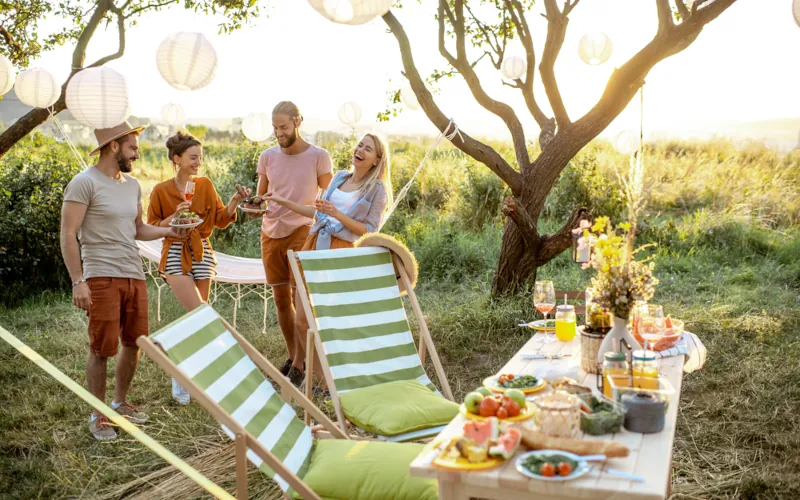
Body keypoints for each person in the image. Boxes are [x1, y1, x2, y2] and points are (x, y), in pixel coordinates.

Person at [60, 121, 189, 441]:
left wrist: (168, 231)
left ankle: (119, 403)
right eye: (132, 147)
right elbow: (67, 234)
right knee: (102, 348)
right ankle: (98, 414)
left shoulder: (131, 186)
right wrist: (79, 280)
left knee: (134, 343)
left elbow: (138, 229)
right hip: (100, 275)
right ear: (113, 146)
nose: (137, 152)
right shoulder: (83, 183)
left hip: (134, 273)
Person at [265, 133, 392, 390]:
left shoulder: (377, 189)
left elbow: (368, 229)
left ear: (377, 159)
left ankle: (327, 383)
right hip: (313, 246)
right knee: (302, 319)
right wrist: (284, 202)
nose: (360, 150)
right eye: (360, 145)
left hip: (340, 253)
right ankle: (314, 376)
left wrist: (338, 215)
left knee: (329, 321)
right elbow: (318, 211)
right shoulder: (340, 177)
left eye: (368, 149)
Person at [147, 131, 250, 405]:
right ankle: (186, 374)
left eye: (200, 158)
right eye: (193, 158)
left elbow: (218, 218)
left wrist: (235, 202)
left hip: (202, 252)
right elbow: (152, 226)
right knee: (200, 315)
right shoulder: (160, 191)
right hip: (175, 252)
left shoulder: (204, 185)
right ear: (177, 159)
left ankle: (190, 377)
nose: (198, 163)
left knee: (199, 319)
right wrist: (175, 215)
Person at [256, 101, 332, 386]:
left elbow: (330, 197)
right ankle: (293, 356)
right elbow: (261, 196)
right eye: (275, 128)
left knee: (301, 300)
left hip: (303, 229)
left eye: (283, 127)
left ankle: (301, 364)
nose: (278, 133)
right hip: (270, 231)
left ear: (298, 122)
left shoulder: (318, 156)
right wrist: (254, 205)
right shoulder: (267, 157)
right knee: (280, 299)